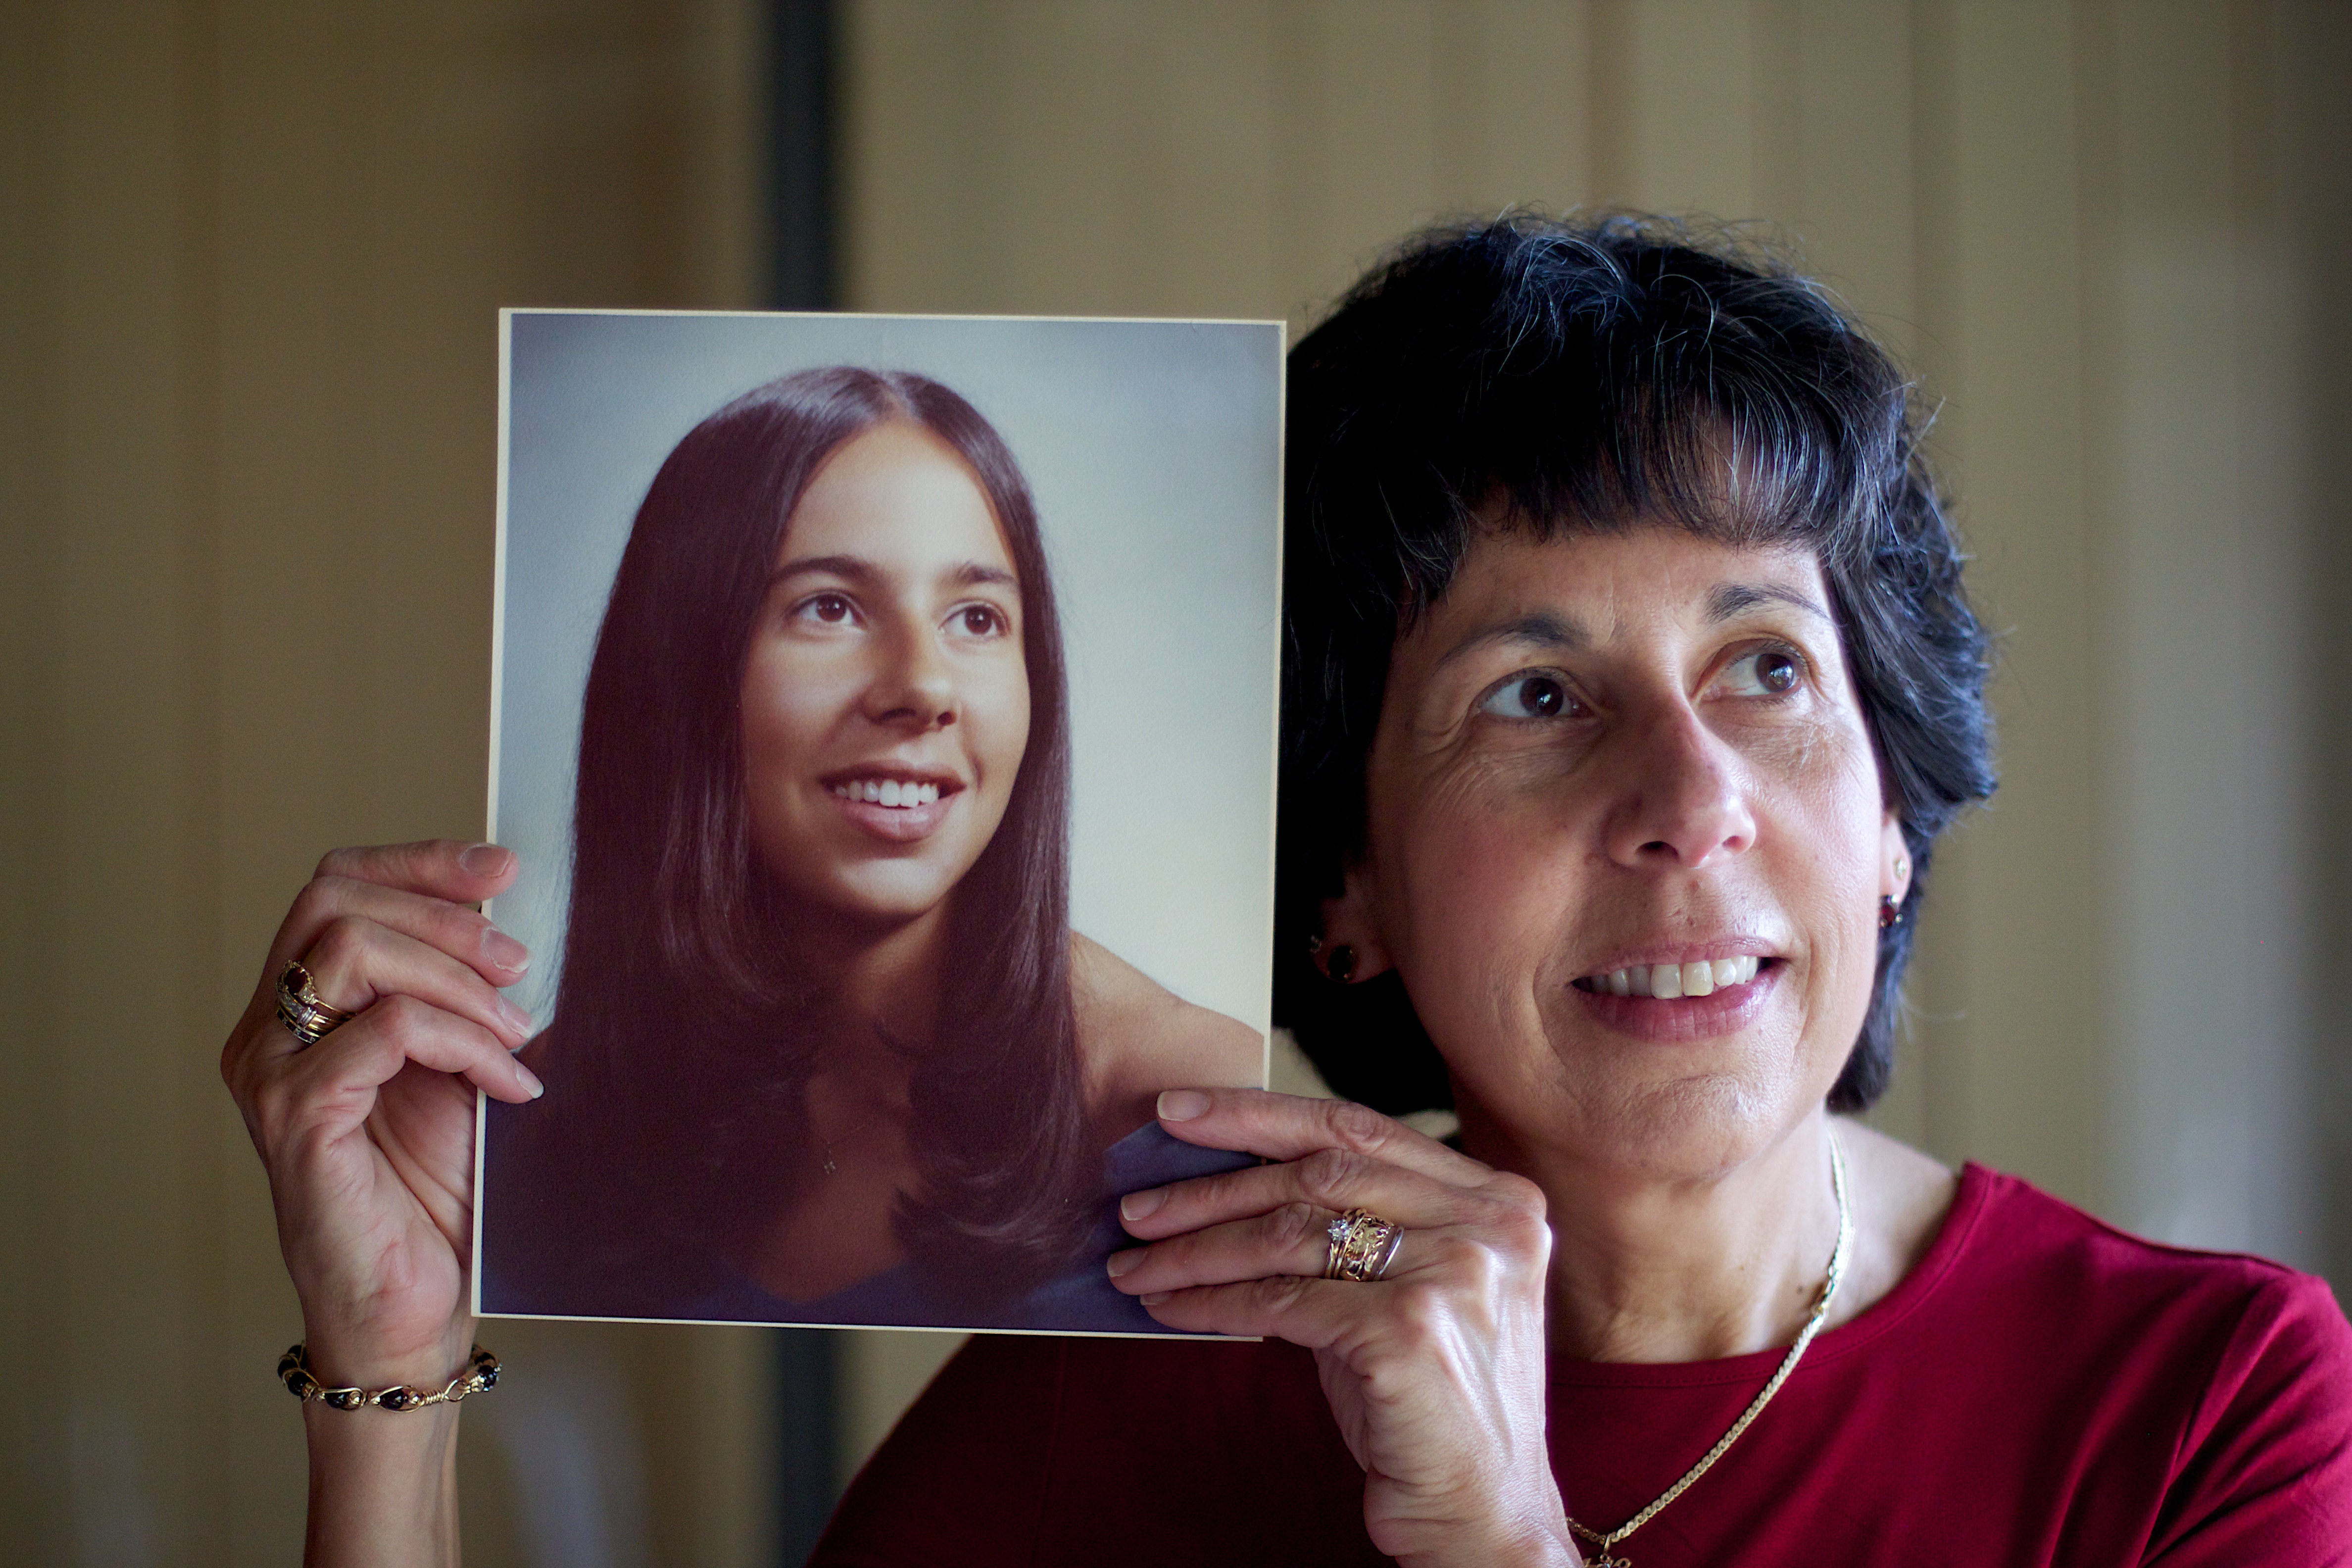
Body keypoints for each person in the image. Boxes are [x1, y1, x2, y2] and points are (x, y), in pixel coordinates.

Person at [220, 216, 2352, 1568]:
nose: (1693, 799)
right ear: (1335, 883)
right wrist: (384, 1392)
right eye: (1536, 692)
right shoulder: (1114, 1387)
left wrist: (1506, 1543)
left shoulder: (2203, 1405)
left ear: (1892, 820)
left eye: (1770, 672)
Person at [475, 364, 1258, 1331]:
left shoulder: (1212, 1116)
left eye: (976, 618)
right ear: (676, 676)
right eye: (830, 607)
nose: (923, 687)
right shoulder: (509, 1138)